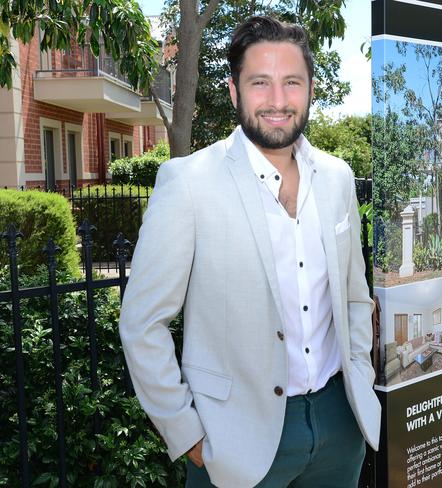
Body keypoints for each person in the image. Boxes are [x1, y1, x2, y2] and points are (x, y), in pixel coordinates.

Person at [118, 15, 380, 488]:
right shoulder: (189, 183)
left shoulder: (339, 177)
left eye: (291, 82)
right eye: (260, 83)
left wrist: (358, 371)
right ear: (236, 92)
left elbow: (355, 294)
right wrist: (188, 434)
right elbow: (142, 322)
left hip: (339, 426)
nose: (277, 101)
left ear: (310, 90)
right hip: (233, 443)